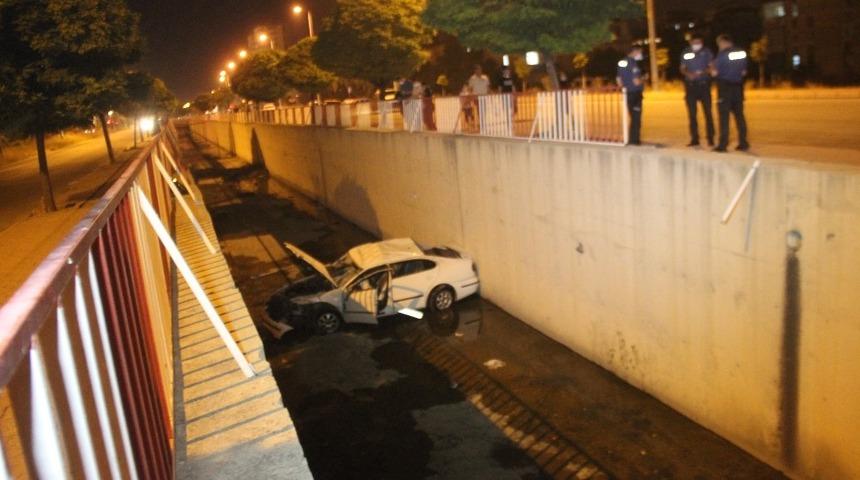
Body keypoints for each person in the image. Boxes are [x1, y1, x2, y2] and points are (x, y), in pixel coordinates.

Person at [711, 34, 750, 152]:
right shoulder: (741, 53)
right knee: (739, 116)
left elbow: (714, 72)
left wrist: (711, 68)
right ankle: (743, 142)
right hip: (738, 87)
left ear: (723, 42)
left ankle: (723, 144)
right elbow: (744, 71)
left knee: (724, 117)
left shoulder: (722, 55)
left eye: (719, 44)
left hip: (725, 88)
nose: (719, 46)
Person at [680, 34, 715, 147]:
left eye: (699, 42)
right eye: (695, 43)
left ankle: (710, 138)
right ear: (690, 43)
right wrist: (688, 74)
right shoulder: (686, 52)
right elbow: (682, 68)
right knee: (692, 114)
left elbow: (711, 67)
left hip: (704, 85)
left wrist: (703, 72)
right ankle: (694, 138)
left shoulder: (707, 52)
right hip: (691, 86)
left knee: (708, 113)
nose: (697, 45)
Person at [616, 45, 646, 145]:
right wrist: (644, 79)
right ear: (635, 51)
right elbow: (637, 81)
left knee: (632, 116)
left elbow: (619, 80)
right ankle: (635, 140)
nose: (640, 54)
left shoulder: (622, 62)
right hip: (635, 93)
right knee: (636, 118)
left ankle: (631, 139)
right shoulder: (633, 64)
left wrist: (625, 87)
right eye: (640, 52)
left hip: (627, 93)